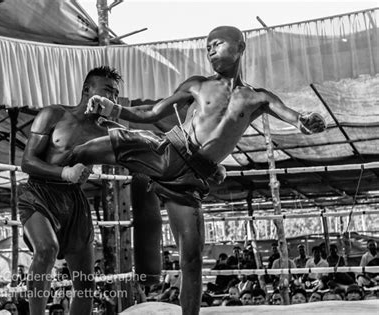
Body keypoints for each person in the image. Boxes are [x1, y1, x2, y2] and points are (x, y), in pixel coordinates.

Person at [61, 26, 326, 314]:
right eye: (207, 45)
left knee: (192, 259)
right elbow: (150, 113)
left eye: (217, 43)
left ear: (240, 46)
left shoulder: (258, 98)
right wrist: (111, 108)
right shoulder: (197, 85)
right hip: (169, 151)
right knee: (89, 149)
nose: (210, 49)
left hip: (192, 178)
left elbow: (293, 116)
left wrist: (305, 120)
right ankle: (48, 184)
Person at [19, 66, 124, 315]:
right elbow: (27, 162)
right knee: (46, 249)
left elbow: (142, 151)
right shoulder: (53, 114)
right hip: (39, 193)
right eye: (108, 90)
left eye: (116, 94)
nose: (113, 97)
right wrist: (65, 172)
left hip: (74, 200)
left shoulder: (107, 132)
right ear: (87, 90)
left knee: (86, 283)